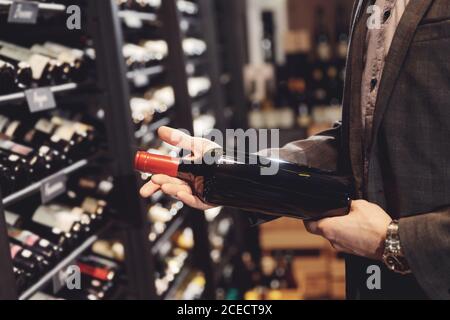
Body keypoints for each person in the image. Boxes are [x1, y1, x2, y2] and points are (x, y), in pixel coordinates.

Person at [140, 0, 450, 300]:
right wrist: (235, 173)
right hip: (374, 282)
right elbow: (360, 142)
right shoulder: (368, 5)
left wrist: (394, 242)